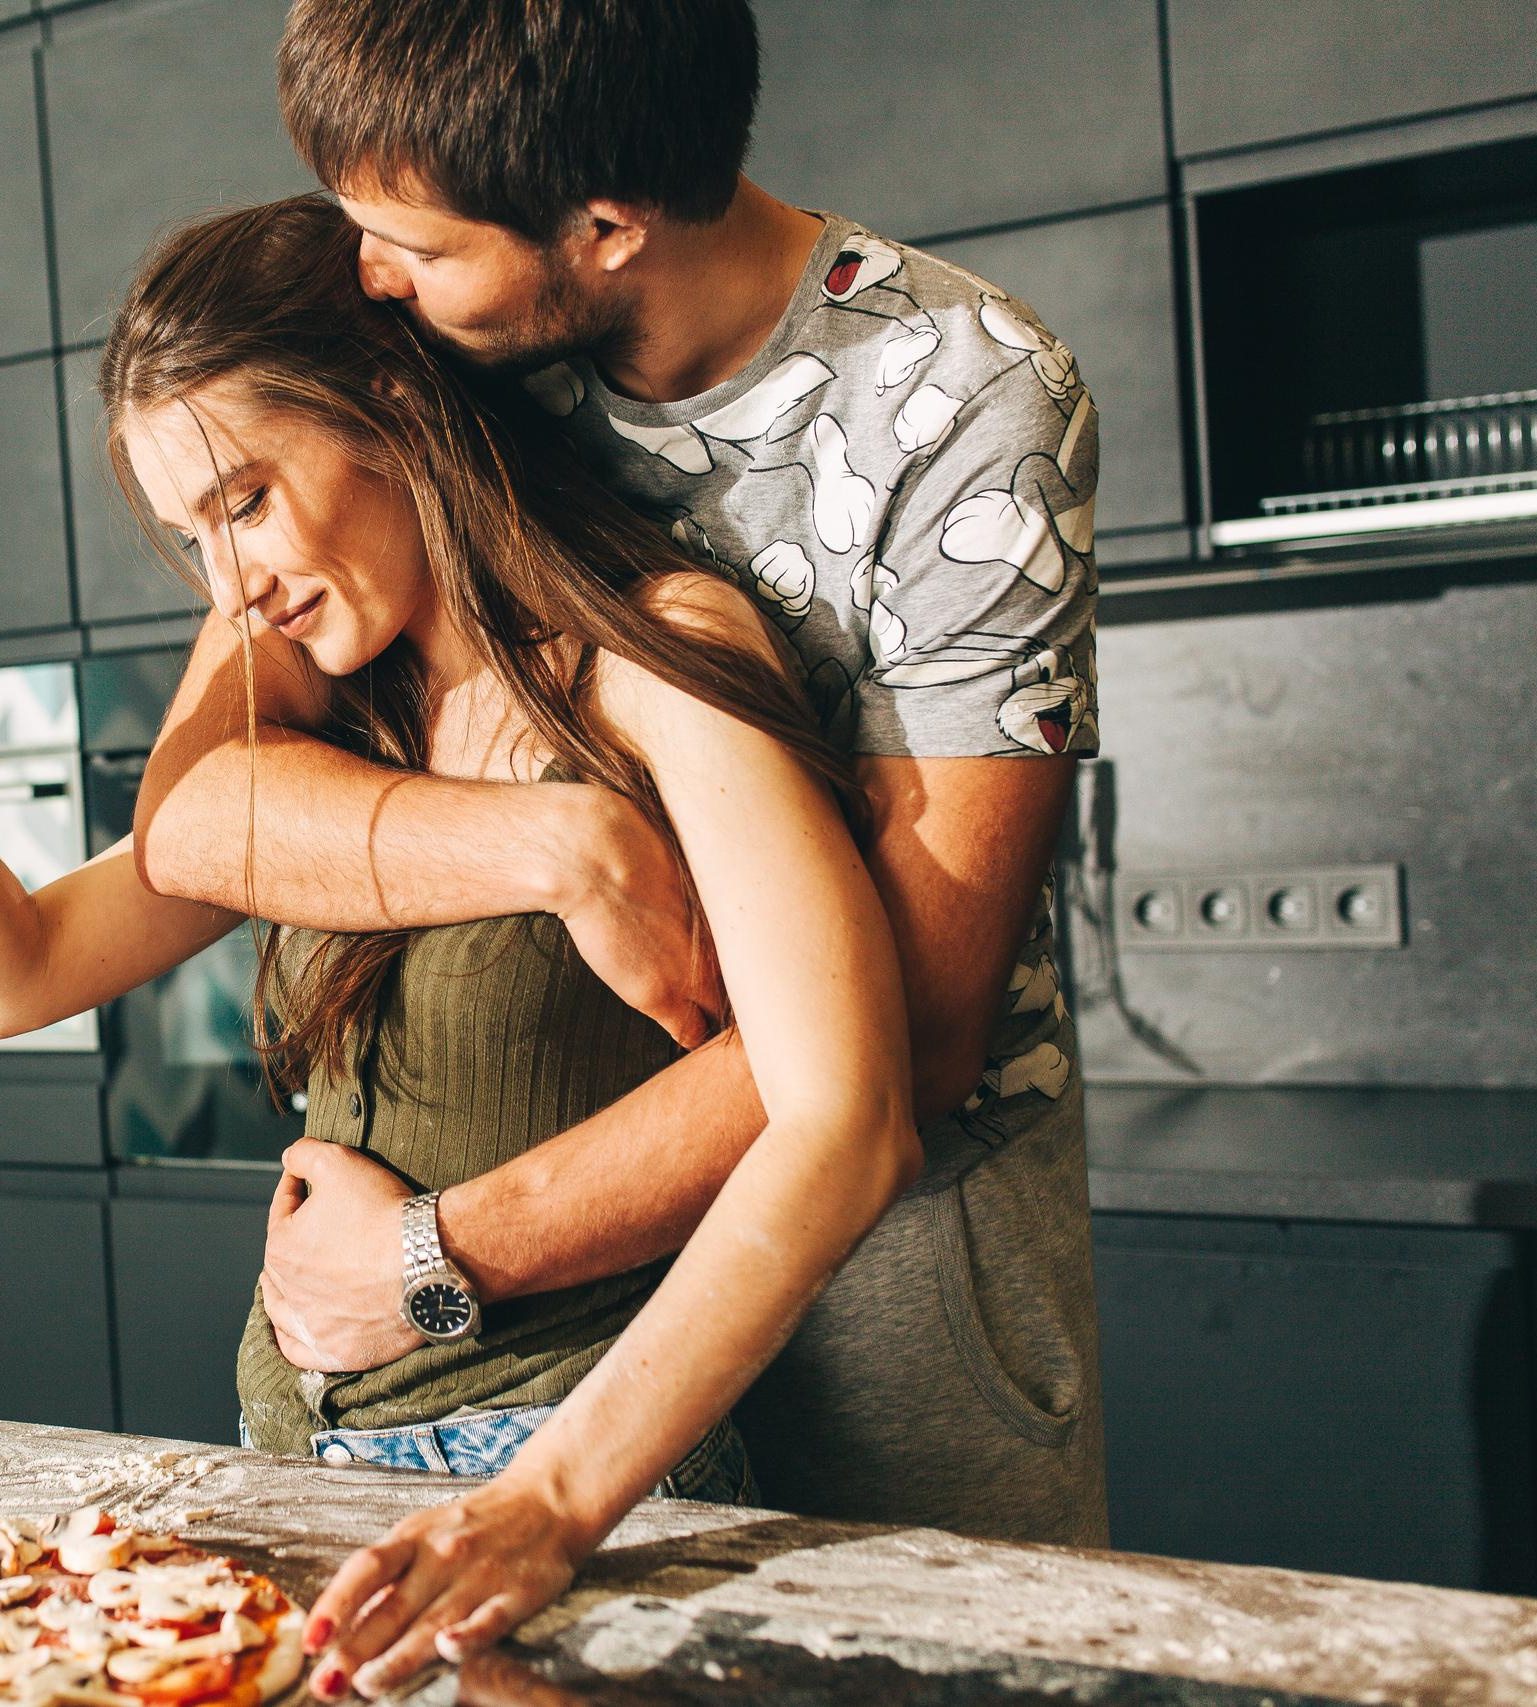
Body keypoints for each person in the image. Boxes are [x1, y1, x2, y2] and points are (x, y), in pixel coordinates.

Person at [0, 187, 918, 1673]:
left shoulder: (651, 655)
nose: (233, 588)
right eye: (191, 536)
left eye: (247, 502)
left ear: (395, 406)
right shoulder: (336, 716)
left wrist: (550, 1503)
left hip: (566, 1489)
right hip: (291, 1470)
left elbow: (843, 1116)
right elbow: (7, 971)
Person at [120, 0, 1105, 1694]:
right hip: (556, 1309)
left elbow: (906, 1048)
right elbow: (206, 809)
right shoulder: (437, 350)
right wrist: (562, 846)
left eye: (403, 242)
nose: (361, 272)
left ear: (602, 230)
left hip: (894, 1255)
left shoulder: (965, 404)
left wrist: (440, 1263)